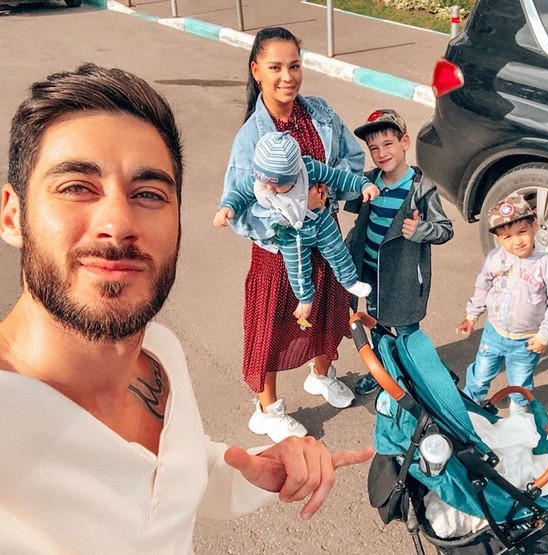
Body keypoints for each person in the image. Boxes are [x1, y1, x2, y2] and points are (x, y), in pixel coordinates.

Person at [0, 63, 373, 552]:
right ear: (12, 216)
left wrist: (252, 471)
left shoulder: (160, 352)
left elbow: (166, 479)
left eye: (148, 194)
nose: (118, 222)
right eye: (77, 188)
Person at [220, 26, 367, 443]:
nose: (287, 77)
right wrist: (295, 211)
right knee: (272, 327)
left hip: (325, 239)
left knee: (326, 310)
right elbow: (240, 211)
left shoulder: (319, 113)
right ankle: (266, 409)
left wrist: (329, 194)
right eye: (275, 68)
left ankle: (321, 373)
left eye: (294, 66)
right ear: (256, 71)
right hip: (278, 251)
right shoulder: (251, 136)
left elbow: (351, 159)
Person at [214, 131, 378, 325]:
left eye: (277, 185)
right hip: (289, 233)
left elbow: (338, 177)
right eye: (264, 182)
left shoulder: (309, 169)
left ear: (293, 176)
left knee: (337, 249)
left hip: (319, 220)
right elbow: (239, 193)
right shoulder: (257, 180)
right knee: (297, 267)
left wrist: (363, 185)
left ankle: (350, 281)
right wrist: (227, 208)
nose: (269, 189)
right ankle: (305, 299)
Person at [346, 109, 454, 395]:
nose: (381, 153)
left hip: (404, 277)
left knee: (407, 331)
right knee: (377, 325)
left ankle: (416, 375)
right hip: (371, 272)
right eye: (374, 148)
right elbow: (354, 212)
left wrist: (420, 230)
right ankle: (382, 370)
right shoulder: (369, 182)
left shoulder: (421, 189)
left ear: (404, 142)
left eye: (388, 144)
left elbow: (445, 229)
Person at [455, 195, 548, 413]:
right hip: (493, 332)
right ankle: (470, 401)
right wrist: (471, 316)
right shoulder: (494, 259)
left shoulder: (547, 265)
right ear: (498, 239)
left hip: (526, 339)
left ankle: (519, 409)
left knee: (519, 380)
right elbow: (482, 287)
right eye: (507, 237)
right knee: (481, 373)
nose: (517, 241)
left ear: (534, 226)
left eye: (522, 232)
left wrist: (545, 335)